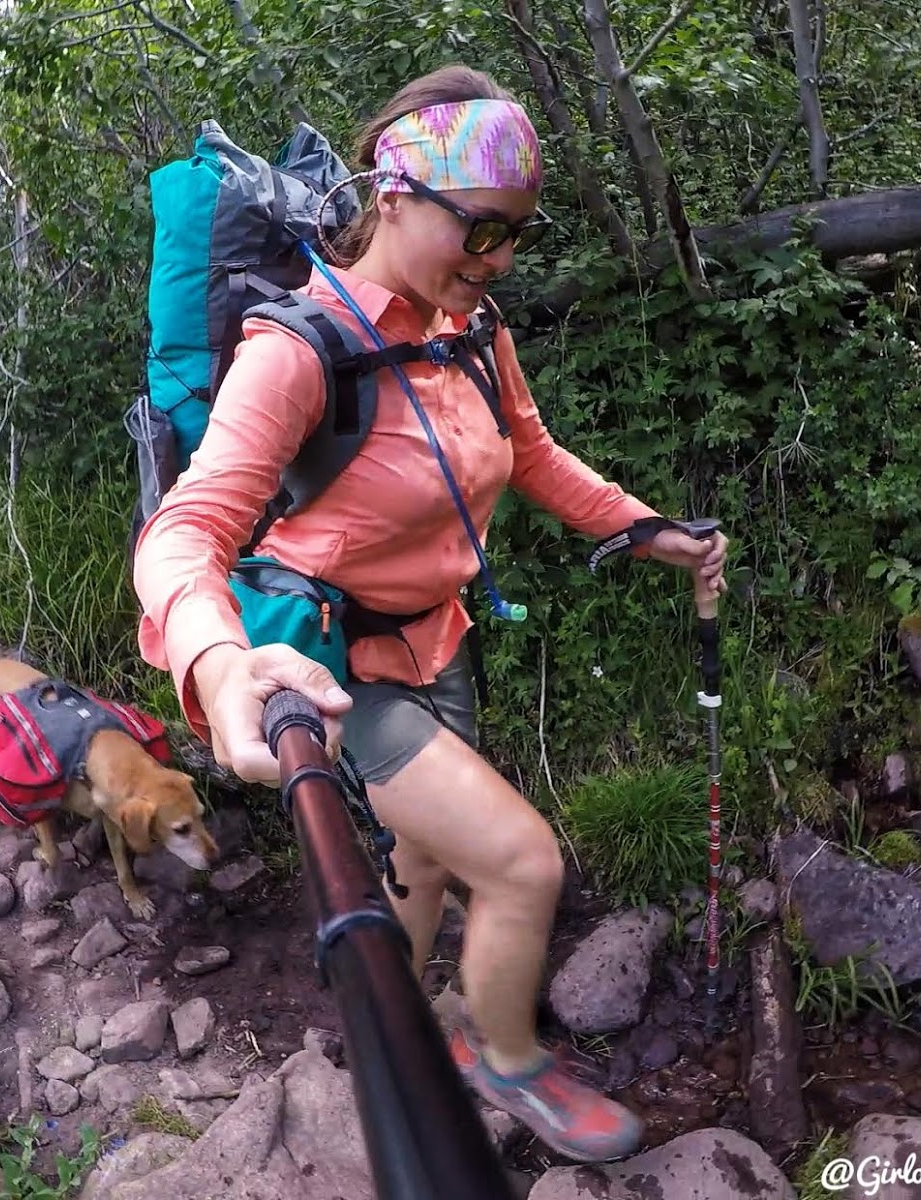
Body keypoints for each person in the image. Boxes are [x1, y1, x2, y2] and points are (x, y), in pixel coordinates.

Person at [131, 65, 727, 1163]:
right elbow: (184, 531)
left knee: (425, 854)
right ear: (395, 195)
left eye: (515, 238)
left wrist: (650, 531)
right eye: (482, 230)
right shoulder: (298, 351)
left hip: (437, 640)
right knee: (520, 862)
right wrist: (217, 665)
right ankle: (501, 1056)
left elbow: (534, 456)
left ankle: (387, 1024)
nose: (496, 260)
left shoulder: (473, 328)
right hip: (335, 672)